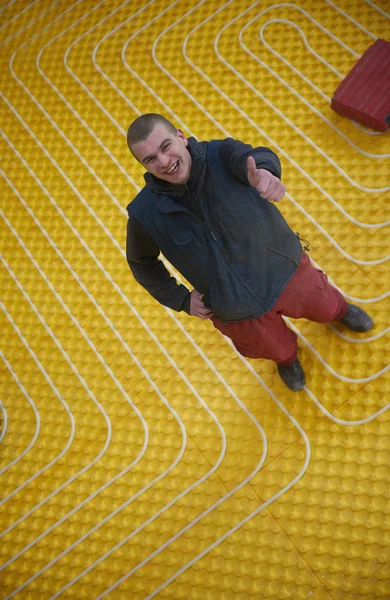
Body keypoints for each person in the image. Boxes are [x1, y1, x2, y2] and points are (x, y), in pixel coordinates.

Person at [125, 113, 373, 391]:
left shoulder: (220, 154)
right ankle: (287, 359)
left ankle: (339, 311)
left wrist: (267, 173)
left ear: (181, 137)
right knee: (271, 345)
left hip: (286, 272)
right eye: (150, 159)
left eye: (166, 146)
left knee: (323, 303)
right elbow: (141, 263)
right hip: (235, 307)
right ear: (143, 166)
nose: (164, 161)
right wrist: (181, 299)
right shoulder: (144, 213)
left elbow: (256, 158)